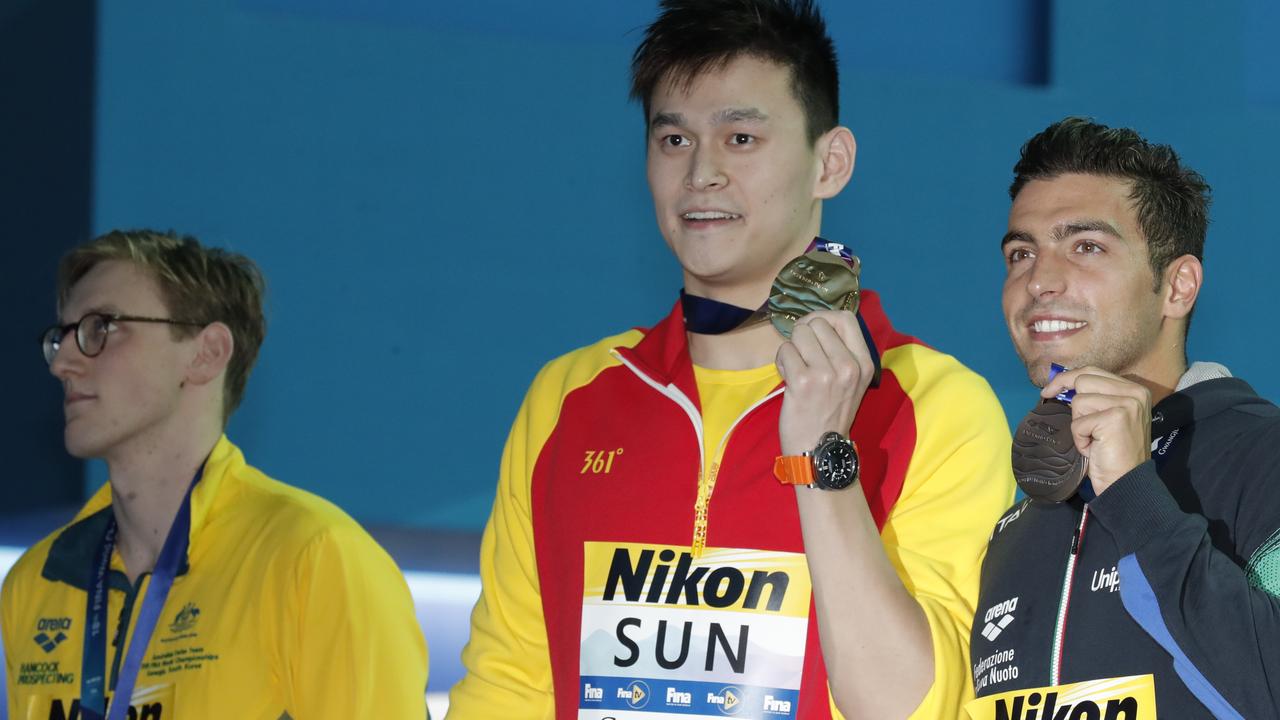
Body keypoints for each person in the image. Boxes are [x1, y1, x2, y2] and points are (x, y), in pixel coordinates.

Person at [448, 1, 1013, 717]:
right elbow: (509, 683)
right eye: (674, 140)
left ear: (830, 163)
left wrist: (823, 462)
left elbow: (914, 707)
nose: (701, 173)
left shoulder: (933, 404)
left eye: (740, 136)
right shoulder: (571, 395)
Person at [1, 230, 429, 719]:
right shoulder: (37, 581)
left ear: (206, 353)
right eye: (62, 337)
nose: (64, 363)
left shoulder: (312, 557)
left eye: (101, 327)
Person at [969, 117, 1280, 718]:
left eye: (1086, 246)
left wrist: (1138, 501)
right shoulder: (1016, 526)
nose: (1039, 280)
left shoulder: (1264, 458)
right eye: (1021, 252)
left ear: (1178, 287)